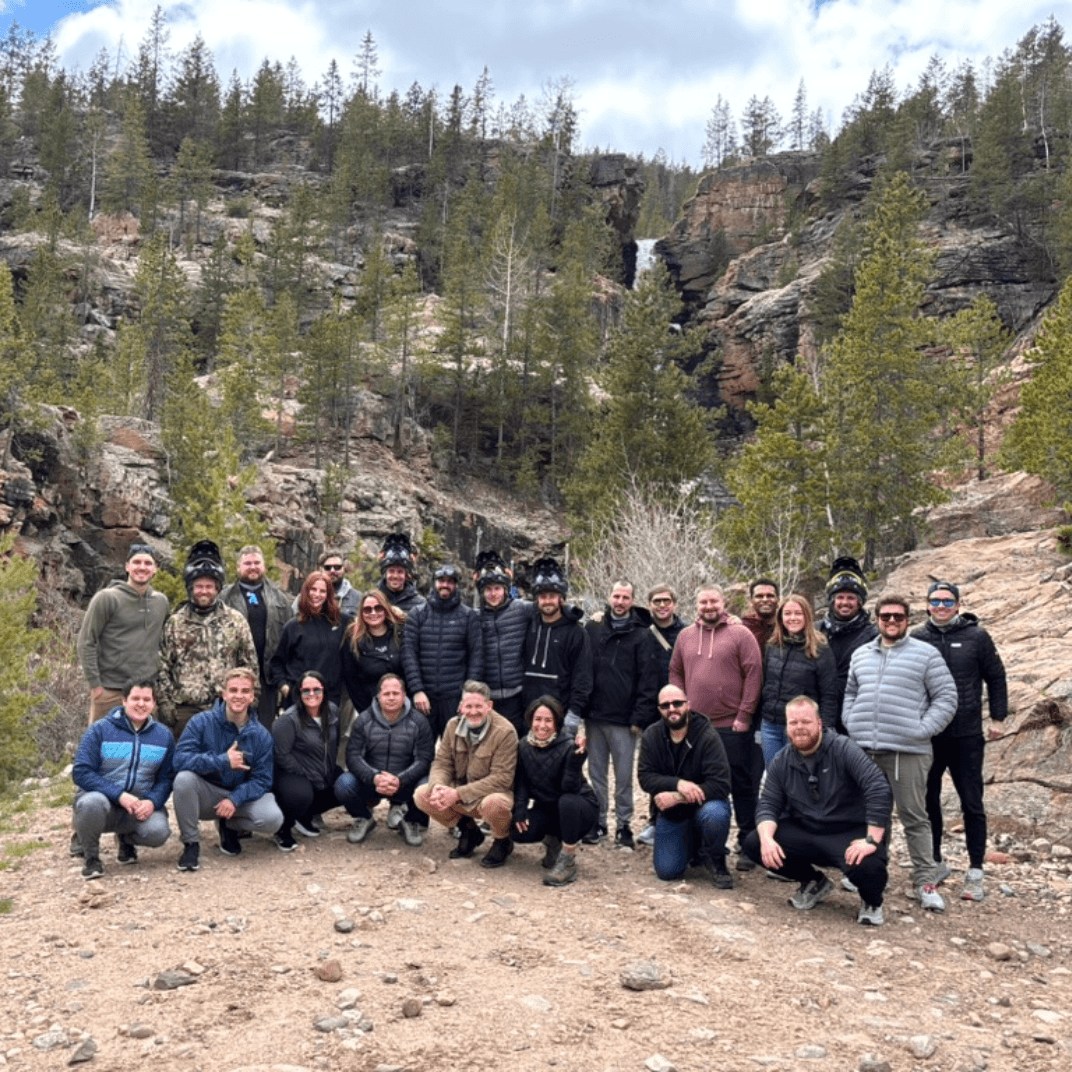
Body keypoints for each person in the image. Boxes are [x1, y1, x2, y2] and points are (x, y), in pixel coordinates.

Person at [843, 593, 958, 912]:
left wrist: (921, 730)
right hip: (866, 749)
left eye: (898, 617)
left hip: (908, 751)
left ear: (909, 619)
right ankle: (872, 873)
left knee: (914, 816)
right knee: (871, 816)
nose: (891, 621)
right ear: (877, 618)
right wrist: (852, 723)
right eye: (885, 616)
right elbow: (850, 692)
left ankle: (925, 881)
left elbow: (947, 697)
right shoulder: (861, 654)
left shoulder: (926, 654)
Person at [743, 696, 893, 926]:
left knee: (869, 866)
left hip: (847, 831)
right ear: (786, 727)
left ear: (819, 723)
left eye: (806, 721)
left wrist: (872, 840)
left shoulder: (843, 748)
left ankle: (871, 901)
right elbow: (768, 804)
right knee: (754, 842)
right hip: (808, 830)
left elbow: (878, 787)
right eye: (793, 723)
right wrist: (766, 840)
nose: (799, 728)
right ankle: (813, 882)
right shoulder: (782, 761)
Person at [912, 581, 1009, 902]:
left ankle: (976, 870)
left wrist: (997, 717)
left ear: (957, 604)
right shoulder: (917, 638)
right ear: (927, 605)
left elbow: (996, 676)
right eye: (935, 601)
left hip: (967, 734)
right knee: (929, 801)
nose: (941, 607)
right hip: (930, 734)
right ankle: (936, 861)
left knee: (972, 802)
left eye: (947, 601)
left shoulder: (976, 636)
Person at [669, 582, 763, 871]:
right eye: (703, 602)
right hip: (695, 726)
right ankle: (704, 846)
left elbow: (754, 673)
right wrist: (679, 705)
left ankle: (748, 844)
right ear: (696, 605)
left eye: (713, 601)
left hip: (731, 726)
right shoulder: (685, 636)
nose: (708, 607)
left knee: (741, 785)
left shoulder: (740, 634)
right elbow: (675, 671)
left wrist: (744, 715)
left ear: (723, 603)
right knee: (700, 785)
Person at [171, 667, 283, 871]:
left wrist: (235, 799)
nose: (238, 696)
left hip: (238, 797)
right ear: (224, 694)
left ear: (252, 697)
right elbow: (179, 760)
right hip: (208, 794)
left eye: (244, 691)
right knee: (183, 779)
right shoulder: (201, 722)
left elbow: (263, 780)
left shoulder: (261, 735)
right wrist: (222, 760)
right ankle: (191, 844)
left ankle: (229, 826)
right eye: (233, 690)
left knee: (272, 818)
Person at [71, 680, 175, 881]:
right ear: (124, 701)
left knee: (159, 832)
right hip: (103, 804)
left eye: (147, 699)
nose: (141, 704)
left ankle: (126, 840)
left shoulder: (164, 736)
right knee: (90, 804)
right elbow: (82, 772)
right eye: (135, 698)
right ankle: (91, 857)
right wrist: (119, 795)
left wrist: (152, 801)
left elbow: (167, 778)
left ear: (153, 704)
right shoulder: (99, 730)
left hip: (137, 807)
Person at [582, 580, 657, 851]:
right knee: (597, 774)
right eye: (616, 596)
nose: (620, 601)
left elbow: (647, 680)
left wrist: (640, 716)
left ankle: (623, 825)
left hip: (625, 720)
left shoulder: (642, 634)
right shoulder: (593, 628)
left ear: (632, 600)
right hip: (594, 716)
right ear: (609, 597)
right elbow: (582, 668)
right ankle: (599, 822)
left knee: (623, 777)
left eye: (626, 597)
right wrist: (581, 710)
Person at [156, 540, 257, 739]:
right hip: (184, 711)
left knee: (225, 764)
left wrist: (250, 702)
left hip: (225, 709)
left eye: (209, 586)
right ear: (190, 588)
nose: (204, 591)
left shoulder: (235, 621)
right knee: (185, 766)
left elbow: (249, 665)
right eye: (199, 586)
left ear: (218, 588)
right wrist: (166, 705)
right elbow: (162, 667)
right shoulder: (176, 622)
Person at [638, 684, 734, 888]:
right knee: (667, 872)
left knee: (715, 814)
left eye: (677, 703)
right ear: (659, 710)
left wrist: (678, 796)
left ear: (688, 705)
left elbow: (721, 784)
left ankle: (716, 859)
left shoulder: (707, 735)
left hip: (705, 805)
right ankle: (693, 847)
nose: (672, 708)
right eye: (665, 705)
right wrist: (678, 784)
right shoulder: (651, 736)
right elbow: (645, 777)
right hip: (673, 813)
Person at [414, 680, 518, 868]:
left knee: (495, 804)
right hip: (461, 791)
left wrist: (458, 794)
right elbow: (442, 762)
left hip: (490, 793)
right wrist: (438, 786)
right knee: (422, 794)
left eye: (479, 706)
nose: (473, 711)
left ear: (489, 706)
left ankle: (502, 840)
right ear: (460, 707)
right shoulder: (452, 726)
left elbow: (502, 779)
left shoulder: (505, 732)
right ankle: (468, 830)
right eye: (468, 706)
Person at [335, 673, 435, 847]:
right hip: (373, 782)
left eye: (396, 693)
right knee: (344, 784)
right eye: (386, 694)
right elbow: (353, 757)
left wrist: (401, 779)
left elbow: (424, 759)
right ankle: (364, 818)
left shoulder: (419, 722)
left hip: (405, 783)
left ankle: (411, 821)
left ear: (404, 696)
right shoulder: (363, 720)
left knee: (427, 785)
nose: (391, 698)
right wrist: (375, 777)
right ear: (378, 696)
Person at [77, 542, 169, 725]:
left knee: (143, 749)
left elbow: (165, 644)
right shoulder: (107, 598)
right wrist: (96, 686)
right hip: (111, 691)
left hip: (146, 692)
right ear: (127, 566)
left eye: (148, 563)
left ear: (156, 569)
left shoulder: (161, 602)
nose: (142, 567)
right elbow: (86, 642)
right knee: (103, 749)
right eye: (136, 562)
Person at [512, 696, 599, 887]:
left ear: (557, 723)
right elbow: (522, 782)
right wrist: (520, 810)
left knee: (566, 801)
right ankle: (553, 842)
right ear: (530, 720)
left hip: (579, 808)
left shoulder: (568, 745)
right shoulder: (523, 745)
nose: (542, 725)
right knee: (515, 830)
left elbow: (570, 788)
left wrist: (575, 763)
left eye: (548, 720)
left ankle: (567, 860)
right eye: (537, 719)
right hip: (549, 808)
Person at [402, 564, 483, 739]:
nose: (445, 585)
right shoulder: (418, 614)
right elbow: (409, 654)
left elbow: (476, 657)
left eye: (450, 582)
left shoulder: (468, 616)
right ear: (434, 583)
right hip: (424, 697)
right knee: (422, 751)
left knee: (458, 750)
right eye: (441, 581)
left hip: (455, 697)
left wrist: (468, 695)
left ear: (456, 585)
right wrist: (417, 690)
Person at [758, 594, 838, 767]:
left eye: (798, 613)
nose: (792, 618)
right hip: (770, 726)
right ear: (780, 618)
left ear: (807, 616)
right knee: (775, 777)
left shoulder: (820, 648)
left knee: (800, 779)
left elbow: (829, 694)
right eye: (787, 613)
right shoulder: (772, 646)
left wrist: (824, 729)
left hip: (801, 727)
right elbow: (765, 685)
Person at [221, 544, 294, 731]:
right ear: (238, 567)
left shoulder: (280, 598)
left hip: (268, 677)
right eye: (247, 563)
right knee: (233, 727)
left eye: (256, 562)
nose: (252, 567)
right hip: (234, 675)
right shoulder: (224, 597)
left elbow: (289, 638)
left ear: (264, 566)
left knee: (264, 729)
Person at [637, 583, 688, 846]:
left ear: (674, 604)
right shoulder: (642, 632)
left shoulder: (688, 632)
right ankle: (655, 820)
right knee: (655, 765)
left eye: (666, 601)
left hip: (679, 706)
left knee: (681, 763)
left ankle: (681, 819)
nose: (662, 606)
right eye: (656, 601)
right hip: (651, 708)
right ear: (649, 605)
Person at [271, 671, 343, 851]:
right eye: (306, 691)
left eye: (316, 689)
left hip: (321, 770)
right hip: (292, 774)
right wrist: (308, 774)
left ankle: (304, 816)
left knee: (346, 785)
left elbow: (334, 744)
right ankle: (283, 829)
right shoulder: (288, 720)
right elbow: (281, 756)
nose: (312, 695)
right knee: (300, 794)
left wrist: (328, 770)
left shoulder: (333, 712)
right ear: (299, 693)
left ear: (324, 691)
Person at [520, 556, 591, 734]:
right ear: (536, 600)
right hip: (528, 713)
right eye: (543, 597)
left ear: (561, 598)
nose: (548, 601)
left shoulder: (576, 632)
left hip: (561, 714)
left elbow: (582, 677)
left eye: (552, 596)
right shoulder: (527, 626)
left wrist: (574, 714)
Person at [269, 571, 352, 709]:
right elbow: (276, 663)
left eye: (322, 591)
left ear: (328, 594)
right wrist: (284, 687)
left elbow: (369, 621)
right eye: (313, 589)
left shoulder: (342, 622)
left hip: (330, 699)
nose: (317, 594)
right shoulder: (292, 626)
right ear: (306, 591)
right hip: (299, 698)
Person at [474, 550, 534, 738]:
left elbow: (550, 608)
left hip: (517, 694)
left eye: (497, 588)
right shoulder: (475, 616)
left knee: (516, 743)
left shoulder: (522, 609)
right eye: (488, 589)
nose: (493, 594)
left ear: (505, 589)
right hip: (488, 696)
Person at [340, 589, 406, 755]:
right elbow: (351, 680)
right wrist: (368, 712)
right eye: (367, 610)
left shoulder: (400, 633)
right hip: (369, 708)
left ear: (386, 609)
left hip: (402, 708)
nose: (373, 613)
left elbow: (409, 670)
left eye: (378, 608)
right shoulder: (352, 638)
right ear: (361, 613)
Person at [818, 557, 878, 731]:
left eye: (851, 597)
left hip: (858, 719)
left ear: (860, 601)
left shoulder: (873, 636)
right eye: (840, 597)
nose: (845, 602)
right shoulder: (816, 631)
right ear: (831, 600)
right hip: (819, 716)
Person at [377, 533, 426, 614]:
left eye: (400, 572)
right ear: (385, 573)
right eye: (391, 571)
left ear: (407, 575)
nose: (395, 576)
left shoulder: (420, 604)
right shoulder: (374, 600)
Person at [318, 549, 361, 618]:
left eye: (337, 567)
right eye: (327, 567)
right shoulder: (309, 594)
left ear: (343, 569)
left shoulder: (358, 597)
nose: (332, 571)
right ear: (321, 570)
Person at [741, 578, 779, 651]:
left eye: (770, 596)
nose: (765, 600)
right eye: (759, 596)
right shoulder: (743, 628)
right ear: (751, 601)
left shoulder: (786, 628)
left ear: (778, 600)